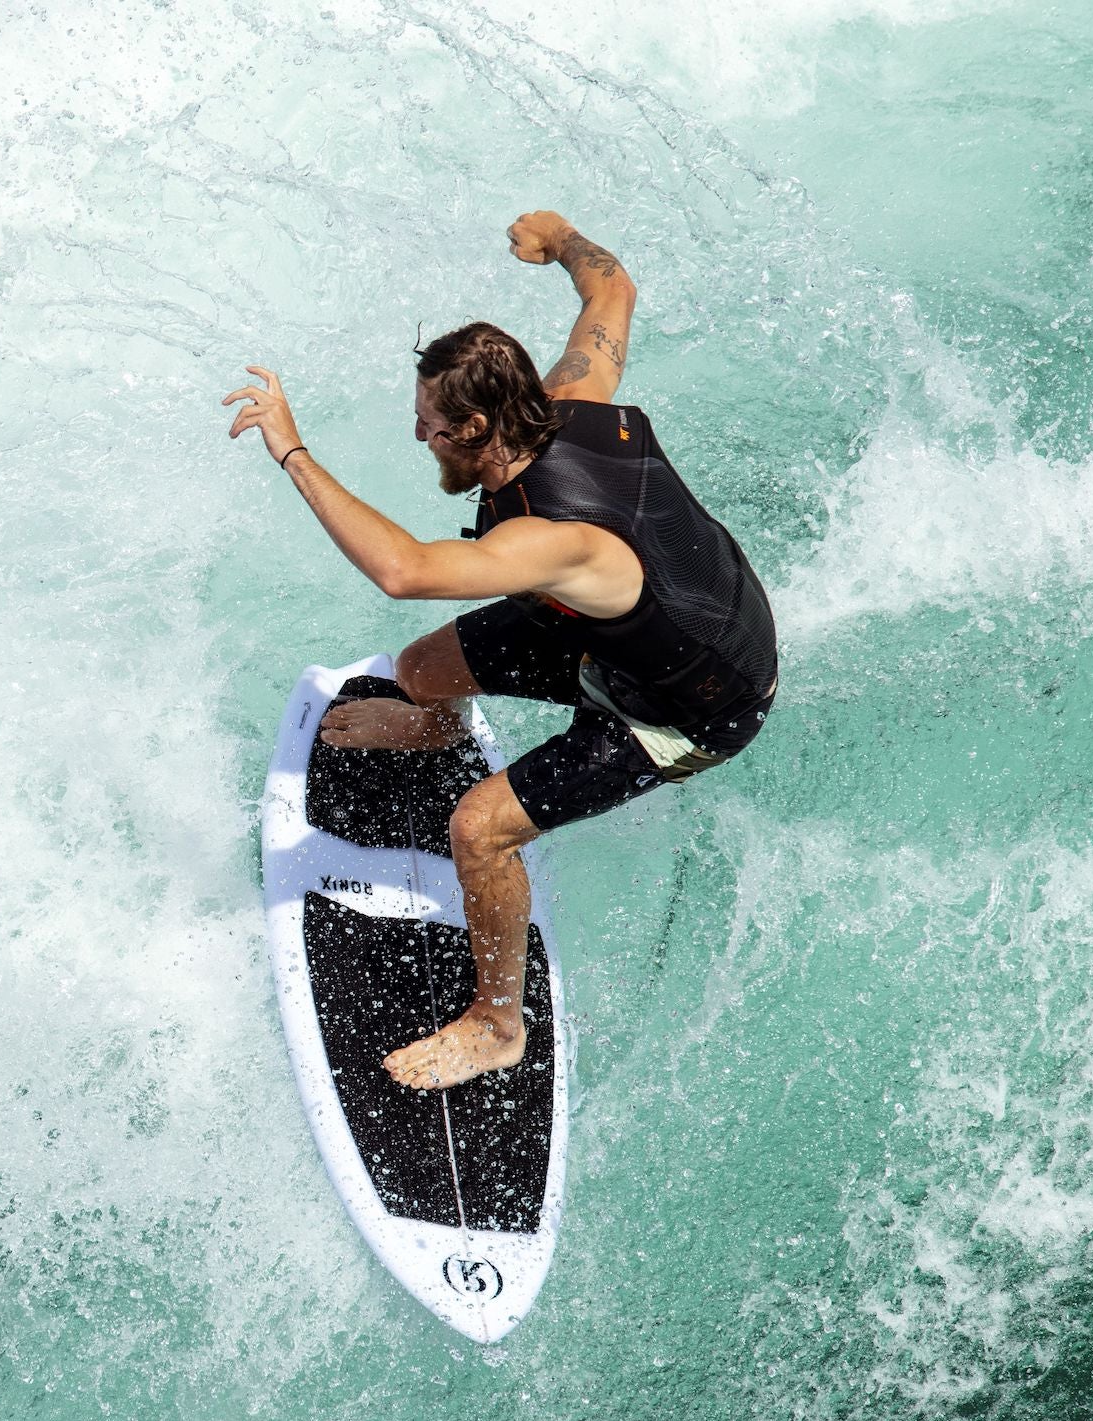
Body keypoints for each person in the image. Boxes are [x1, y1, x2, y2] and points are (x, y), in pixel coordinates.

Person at [223, 210, 777, 1091]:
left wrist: (291, 447)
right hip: (654, 620)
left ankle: (495, 1023)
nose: (420, 439)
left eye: (433, 427)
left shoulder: (553, 541)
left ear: (479, 427)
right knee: (418, 673)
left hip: (692, 700)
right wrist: (561, 240)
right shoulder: (567, 400)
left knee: (478, 828)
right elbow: (612, 287)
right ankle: (436, 724)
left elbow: (403, 569)